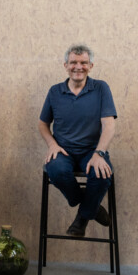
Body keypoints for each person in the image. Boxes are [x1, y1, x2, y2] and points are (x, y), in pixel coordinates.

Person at [38, 44, 117, 237]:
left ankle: (82, 219)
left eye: (83, 63)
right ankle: (91, 208)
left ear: (91, 65)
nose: (78, 67)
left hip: (92, 150)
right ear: (66, 65)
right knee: (56, 170)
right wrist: (52, 145)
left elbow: (108, 125)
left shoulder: (101, 88)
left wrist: (99, 153)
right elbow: (42, 124)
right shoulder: (55, 92)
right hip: (63, 151)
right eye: (73, 62)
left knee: (102, 174)